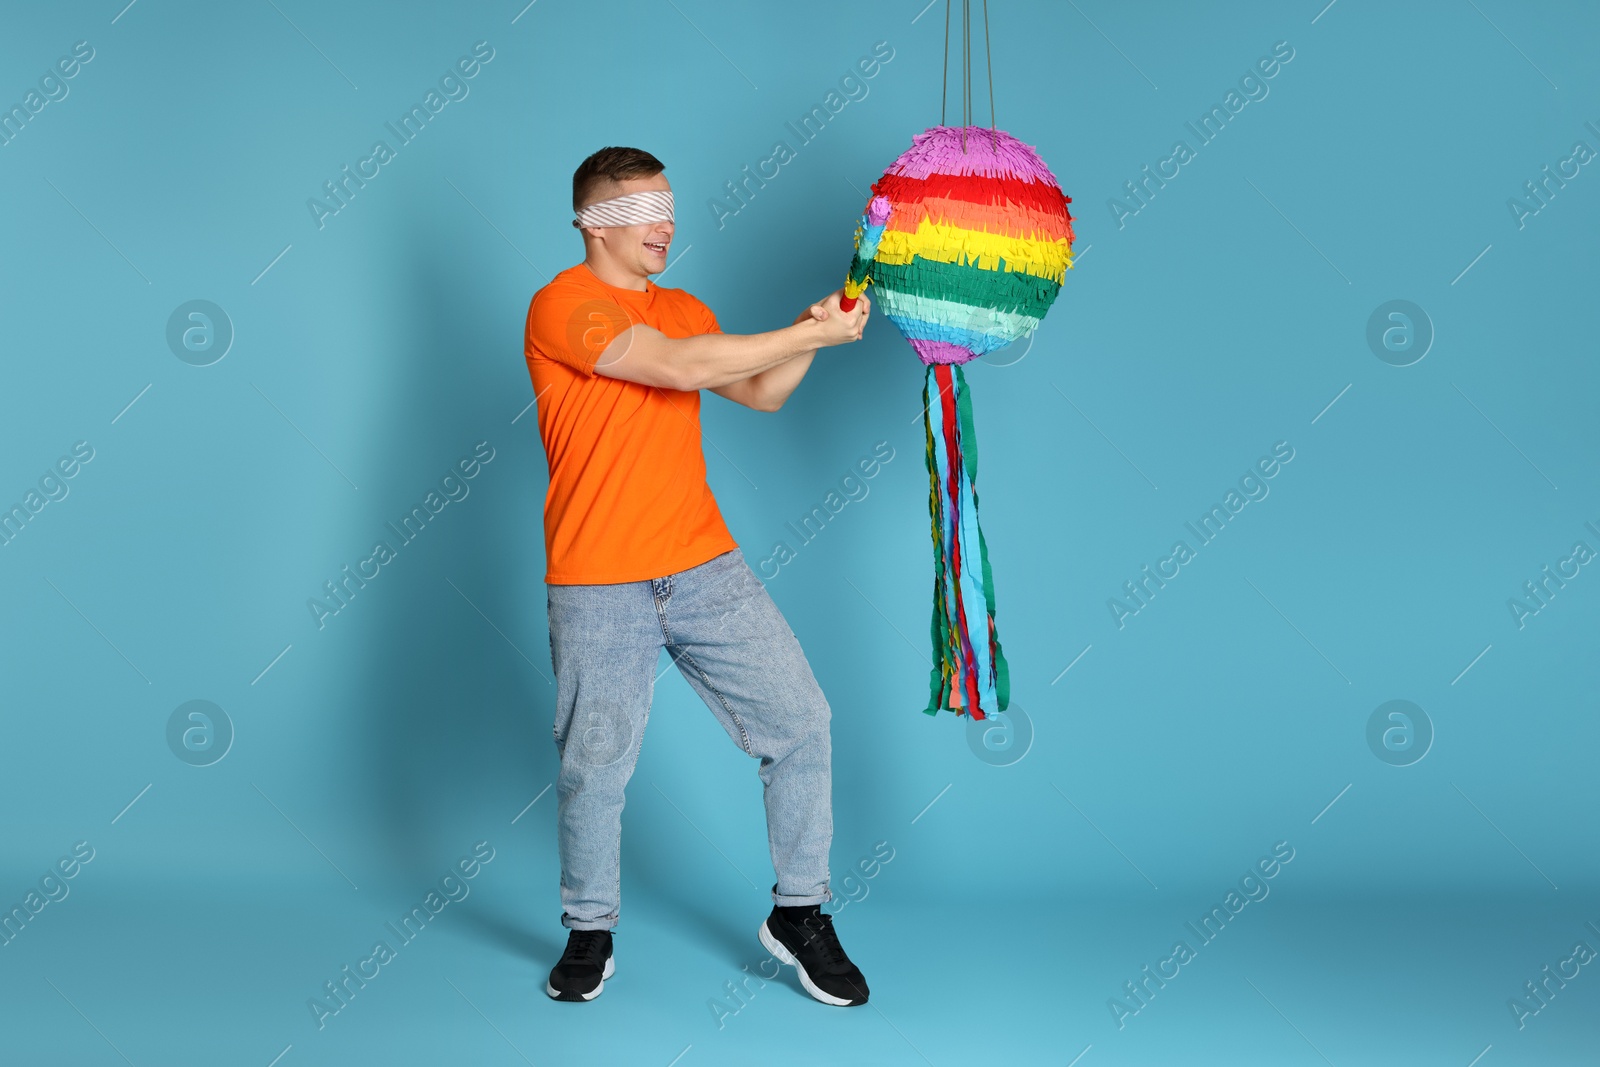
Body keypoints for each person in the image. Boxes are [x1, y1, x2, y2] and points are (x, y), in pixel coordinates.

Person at [522, 146, 873, 1006]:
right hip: (599, 579)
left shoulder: (686, 307)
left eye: (670, 206)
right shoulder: (562, 305)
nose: (667, 225)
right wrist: (806, 334)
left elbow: (761, 392)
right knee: (594, 767)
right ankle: (589, 929)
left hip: (704, 567)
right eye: (647, 209)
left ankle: (800, 913)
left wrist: (813, 332)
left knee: (802, 722)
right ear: (593, 219)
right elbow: (674, 366)